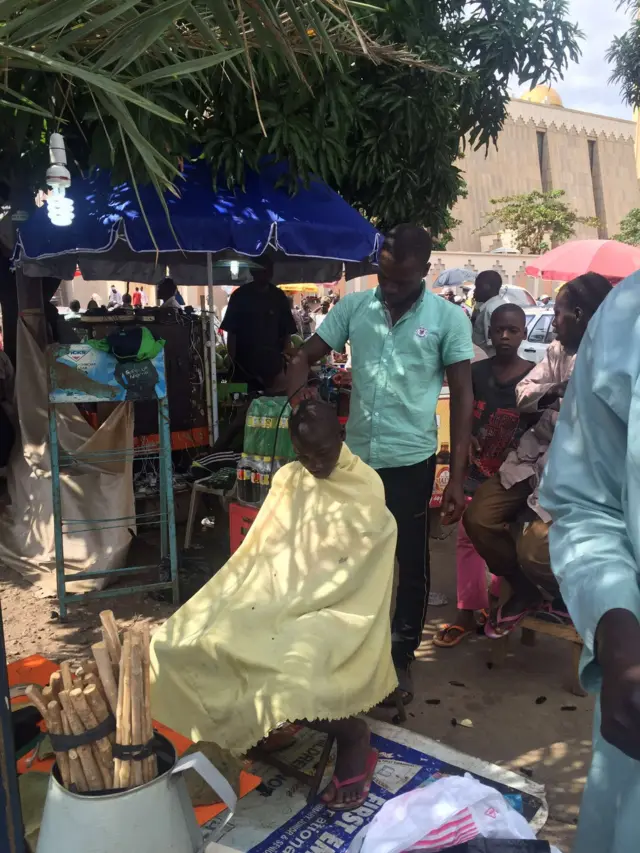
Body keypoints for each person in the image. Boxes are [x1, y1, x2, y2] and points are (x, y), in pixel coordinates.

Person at [150, 400, 398, 809]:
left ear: (341, 436)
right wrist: (268, 597)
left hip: (336, 606)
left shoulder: (366, 485)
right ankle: (244, 723)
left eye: (323, 453)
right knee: (177, 639)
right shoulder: (289, 478)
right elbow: (263, 548)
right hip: (273, 594)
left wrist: (304, 598)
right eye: (305, 456)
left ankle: (354, 737)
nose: (316, 464)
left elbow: (357, 568)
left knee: (290, 674)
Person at [287, 224, 474, 702]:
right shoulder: (354, 306)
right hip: (354, 463)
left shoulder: (449, 319)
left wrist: (458, 476)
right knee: (346, 557)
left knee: (409, 562)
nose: (387, 287)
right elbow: (306, 356)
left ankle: (400, 657)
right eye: (383, 276)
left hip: (411, 461)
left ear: (424, 271)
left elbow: (465, 400)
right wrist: (299, 396)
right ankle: (348, 650)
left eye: (399, 280)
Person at [539, 272, 637, 853]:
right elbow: (584, 499)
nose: (559, 321)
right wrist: (616, 627)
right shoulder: (627, 319)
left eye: (566, 311)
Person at [464, 273, 612, 637]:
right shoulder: (559, 353)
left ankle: (566, 600)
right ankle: (526, 591)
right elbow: (523, 392)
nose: (551, 323)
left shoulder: (616, 362)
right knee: (478, 518)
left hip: (582, 477)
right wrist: (557, 390)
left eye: (558, 314)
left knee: (534, 549)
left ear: (578, 314)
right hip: (534, 459)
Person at [434, 304, 534, 647]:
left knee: (505, 540)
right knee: (467, 539)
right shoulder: (476, 373)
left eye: (513, 330)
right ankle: (467, 611)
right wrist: (467, 436)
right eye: (499, 330)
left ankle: (498, 603)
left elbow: (541, 430)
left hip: (511, 479)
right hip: (475, 470)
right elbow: (460, 414)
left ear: (524, 334)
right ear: (489, 332)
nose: (505, 336)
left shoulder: (534, 378)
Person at [220, 257, 297, 392]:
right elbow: (231, 333)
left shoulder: (279, 297)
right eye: (262, 269)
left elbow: (287, 333)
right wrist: (233, 364)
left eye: (269, 269)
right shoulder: (239, 297)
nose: (266, 273)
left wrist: (285, 366)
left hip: (274, 371)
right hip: (244, 371)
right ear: (252, 271)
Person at [471, 271, 506, 356]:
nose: (474, 291)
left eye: (477, 287)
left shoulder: (491, 309)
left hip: (487, 360)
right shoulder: (497, 305)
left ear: (486, 287)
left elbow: (493, 344)